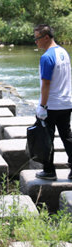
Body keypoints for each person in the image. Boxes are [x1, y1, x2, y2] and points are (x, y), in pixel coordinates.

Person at [33, 24, 72, 180]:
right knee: (66, 136)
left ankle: (49, 171)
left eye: (37, 38)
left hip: (52, 105)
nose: (36, 42)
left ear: (46, 37)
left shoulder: (47, 57)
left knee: (46, 139)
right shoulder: (64, 52)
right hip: (67, 102)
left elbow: (46, 84)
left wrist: (42, 106)